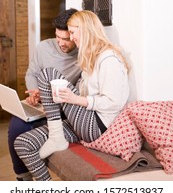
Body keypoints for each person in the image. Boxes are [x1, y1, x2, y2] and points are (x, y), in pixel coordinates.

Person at [14, 10, 130, 181]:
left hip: (96, 125)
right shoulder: (90, 56)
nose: (72, 38)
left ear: (85, 30)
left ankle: (56, 137)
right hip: (82, 120)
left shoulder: (108, 58)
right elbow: (82, 90)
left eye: (73, 33)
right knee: (23, 143)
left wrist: (75, 99)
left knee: (48, 75)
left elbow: (114, 102)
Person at [8, 8, 81, 181]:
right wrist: (34, 93)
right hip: (40, 104)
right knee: (17, 126)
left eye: (66, 38)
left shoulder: (82, 56)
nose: (61, 42)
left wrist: (51, 94)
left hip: (63, 108)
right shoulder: (43, 47)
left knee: (25, 130)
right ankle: (23, 177)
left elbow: (79, 89)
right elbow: (31, 73)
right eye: (58, 37)